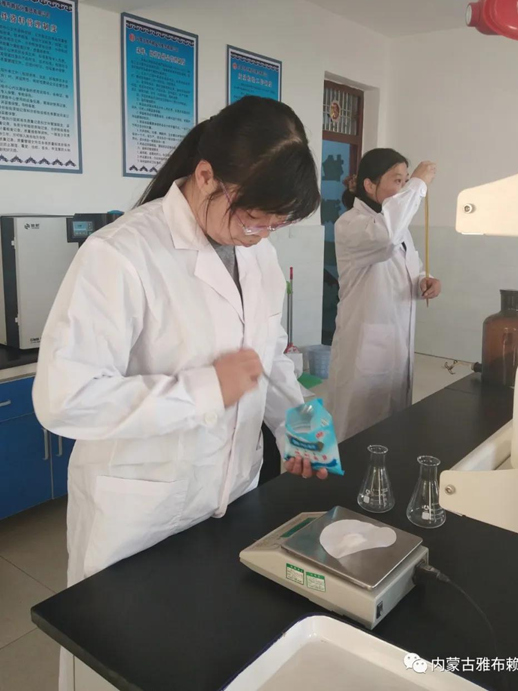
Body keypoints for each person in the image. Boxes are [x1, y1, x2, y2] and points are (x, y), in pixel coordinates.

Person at [33, 96, 326, 690]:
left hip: (231, 498)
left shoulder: (261, 257)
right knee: (121, 668)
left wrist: (300, 423)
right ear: (206, 175)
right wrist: (203, 389)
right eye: (254, 219)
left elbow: (267, 356)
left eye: (277, 225)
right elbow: (64, 396)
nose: (262, 236)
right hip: (140, 516)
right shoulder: (121, 254)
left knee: (204, 658)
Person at [327, 148, 440, 442]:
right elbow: (385, 239)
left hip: (397, 343)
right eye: (397, 180)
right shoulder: (351, 224)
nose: (403, 187)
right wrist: (418, 184)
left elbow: (406, 267)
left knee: (392, 429)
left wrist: (424, 280)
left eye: (405, 181)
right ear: (369, 185)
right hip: (365, 346)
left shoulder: (396, 227)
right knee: (357, 429)